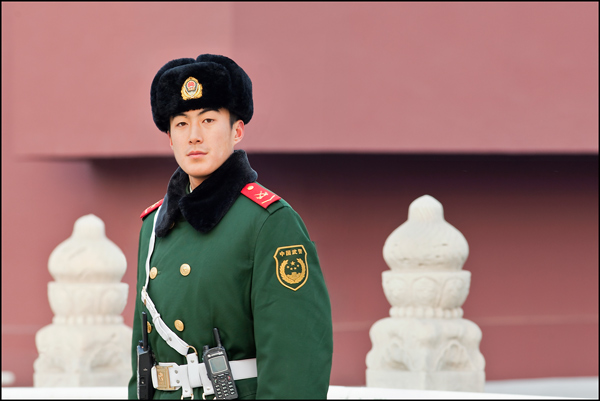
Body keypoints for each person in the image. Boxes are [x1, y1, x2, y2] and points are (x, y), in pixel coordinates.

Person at [127, 54, 333, 399]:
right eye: (181, 124)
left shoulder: (268, 222)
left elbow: (297, 359)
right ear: (170, 138)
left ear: (236, 130)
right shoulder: (153, 227)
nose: (194, 136)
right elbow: (141, 354)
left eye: (208, 120)